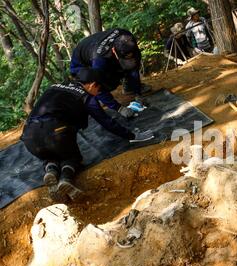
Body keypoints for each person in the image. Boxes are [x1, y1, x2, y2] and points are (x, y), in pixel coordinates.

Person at [20, 68, 154, 200]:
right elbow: (106, 122)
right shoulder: (86, 98)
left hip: (29, 137)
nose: (98, 93)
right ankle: (66, 178)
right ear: (92, 85)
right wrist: (132, 136)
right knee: (72, 157)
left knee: (50, 153)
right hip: (56, 133)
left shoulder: (55, 86)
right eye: (99, 89)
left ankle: (51, 170)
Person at [70, 28, 151, 119]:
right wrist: (119, 108)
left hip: (99, 50)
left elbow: (134, 68)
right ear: (114, 51)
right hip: (81, 63)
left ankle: (129, 88)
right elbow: (97, 87)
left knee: (127, 68)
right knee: (101, 84)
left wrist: (138, 93)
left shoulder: (128, 38)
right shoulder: (99, 61)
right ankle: (95, 101)